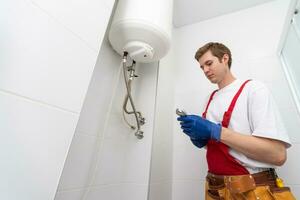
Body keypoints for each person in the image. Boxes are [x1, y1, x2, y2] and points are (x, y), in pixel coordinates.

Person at [177, 42, 295, 199]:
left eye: (209, 63)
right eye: (201, 67)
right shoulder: (209, 99)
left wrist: (216, 131)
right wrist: (200, 138)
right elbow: (225, 148)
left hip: (251, 190)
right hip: (215, 189)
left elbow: (278, 155)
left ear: (225, 58)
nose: (205, 70)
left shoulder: (253, 89)